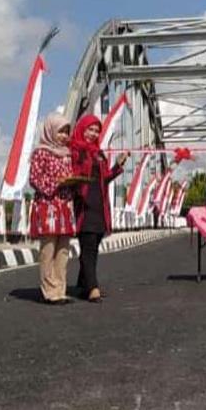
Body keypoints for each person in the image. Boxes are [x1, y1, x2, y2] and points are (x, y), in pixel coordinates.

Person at [70, 114, 128, 303]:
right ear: (81, 129)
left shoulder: (98, 153)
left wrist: (117, 166)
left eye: (96, 131)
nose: (93, 134)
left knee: (93, 247)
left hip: (100, 206)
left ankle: (82, 284)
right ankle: (93, 287)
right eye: (90, 129)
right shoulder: (74, 151)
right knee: (88, 247)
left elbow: (104, 179)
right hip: (84, 204)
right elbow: (72, 176)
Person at [28, 113, 76, 305]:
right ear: (50, 131)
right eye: (60, 132)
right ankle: (49, 291)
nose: (64, 136)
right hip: (48, 207)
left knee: (63, 250)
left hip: (65, 206)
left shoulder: (68, 153)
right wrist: (57, 182)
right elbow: (35, 179)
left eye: (66, 132)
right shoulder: (41, 152)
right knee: (48, 250)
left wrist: (73, 181)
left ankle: (60, 290)